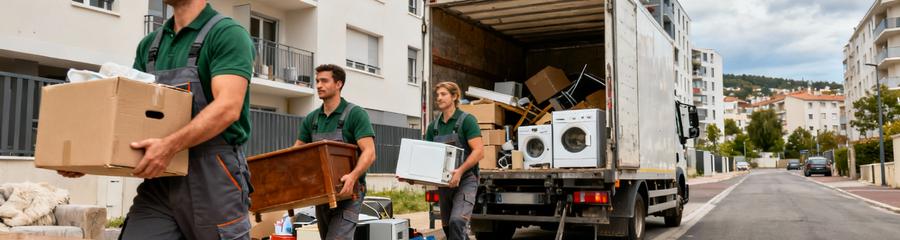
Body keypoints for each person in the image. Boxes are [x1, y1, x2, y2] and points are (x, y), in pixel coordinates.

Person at [58, 0, 255, 239]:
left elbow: (228, 108)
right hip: (161, 179)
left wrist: (170, 146)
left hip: (213, 174)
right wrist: (87, 160)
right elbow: (129, 116)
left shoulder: (227, 34)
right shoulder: (150, 45)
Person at [294, 64, 377, 240]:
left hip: (350, 192)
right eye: (317, 81)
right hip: (322, 194)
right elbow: (296, 154)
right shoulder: (312, 119)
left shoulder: (356, 114)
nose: (318, 85)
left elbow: (369, 152)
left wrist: (353, 176)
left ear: (338, 84)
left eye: (324, 81)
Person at [424, 82, 484, 240]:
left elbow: (479, 151)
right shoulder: (433, 127)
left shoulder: (467, 121)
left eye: (443, 94)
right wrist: (413, 177)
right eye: (437, 95)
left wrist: (460, 171)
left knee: (457, 222)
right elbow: (427, 156)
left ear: (455, 96)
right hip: (444, 184)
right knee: (448, 228)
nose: (439, 98)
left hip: (465, 180)